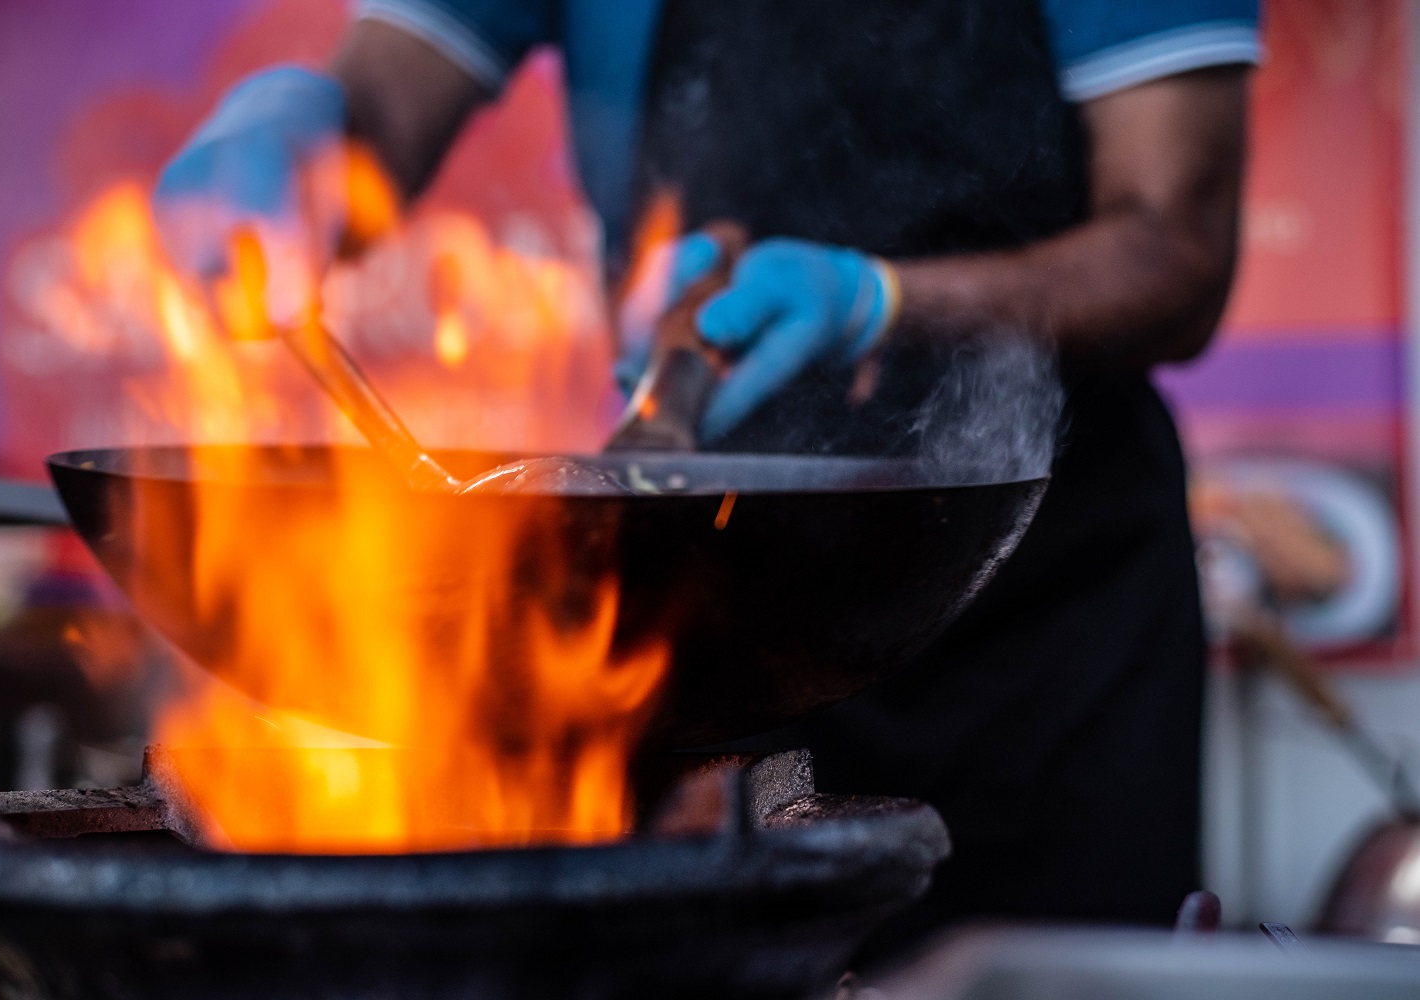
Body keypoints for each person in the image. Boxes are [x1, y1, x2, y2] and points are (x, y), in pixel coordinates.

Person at [154, 0, 1260, 945]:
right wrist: (302, 136)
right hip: (697, 607)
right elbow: (388, 102)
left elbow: (1177, 247)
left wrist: (880, 302)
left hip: (1035, 620)